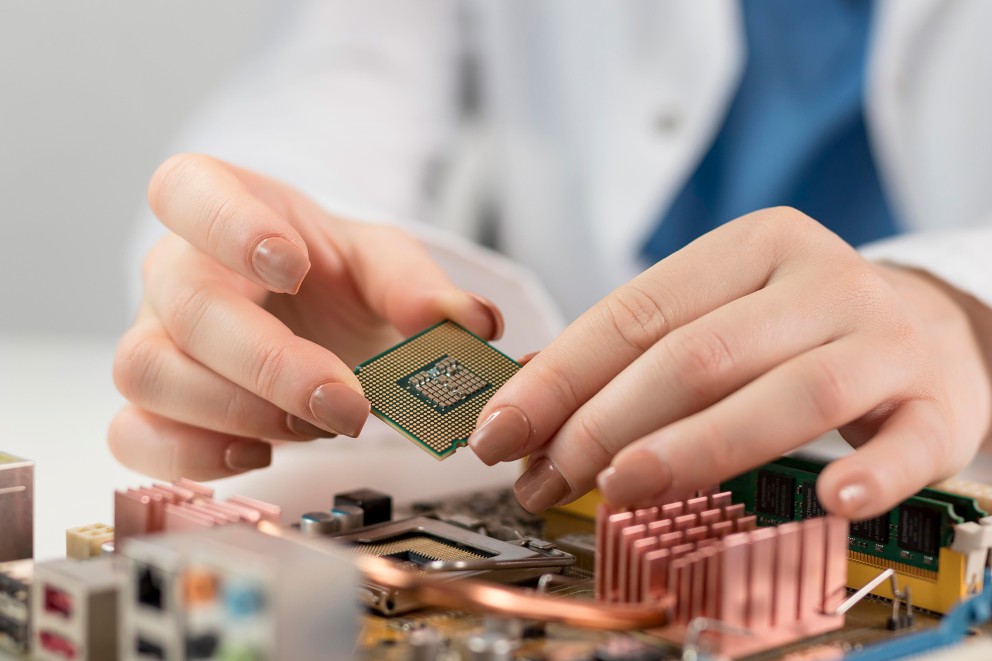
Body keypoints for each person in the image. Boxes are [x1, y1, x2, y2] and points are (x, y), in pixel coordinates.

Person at [110, 1, 992, 521]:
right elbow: (336, 74)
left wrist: (962, 304)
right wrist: (258, 249)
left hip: (923, 473)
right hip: (541, 478)